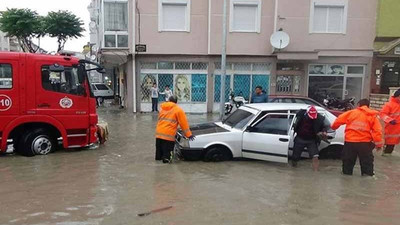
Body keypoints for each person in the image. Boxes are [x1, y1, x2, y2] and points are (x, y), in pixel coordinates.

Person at [331, 99, 383, 176]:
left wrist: (333, 127)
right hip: (365, 144)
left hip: (350, 142)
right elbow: (377, 132)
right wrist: (378, 145)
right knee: (367, 166)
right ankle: (366, 181)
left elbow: (337, 121)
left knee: (347, 165)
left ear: (358, 105)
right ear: (368, 106)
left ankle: (346, 181)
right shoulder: (372, 116)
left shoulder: (350, 113)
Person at [155, 96, 194, 163]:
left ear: (169, 100)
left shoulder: (162, 109)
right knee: (167, 158)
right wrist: (189, 135)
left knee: (158, 156)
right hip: (168, 136)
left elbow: (161, 120)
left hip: (159, 134)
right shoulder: (178, 110)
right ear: (176, 102)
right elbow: (183, 124)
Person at [292, 105, 330, 171]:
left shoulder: (320, 118)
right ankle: (293, 169)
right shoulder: (300, 115)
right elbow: (294, 124)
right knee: (295, 157)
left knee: (315, 157)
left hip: (312, 140)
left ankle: (316, 173)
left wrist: (324, 132)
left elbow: (326, 126)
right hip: (300, 138)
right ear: (307, 113)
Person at [380, 88, 400, 155]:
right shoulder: (389, 105)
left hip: (397, 129)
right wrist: (390, 120)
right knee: (389, 144)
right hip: (391, 128)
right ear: (397, 96)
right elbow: (382, 114)